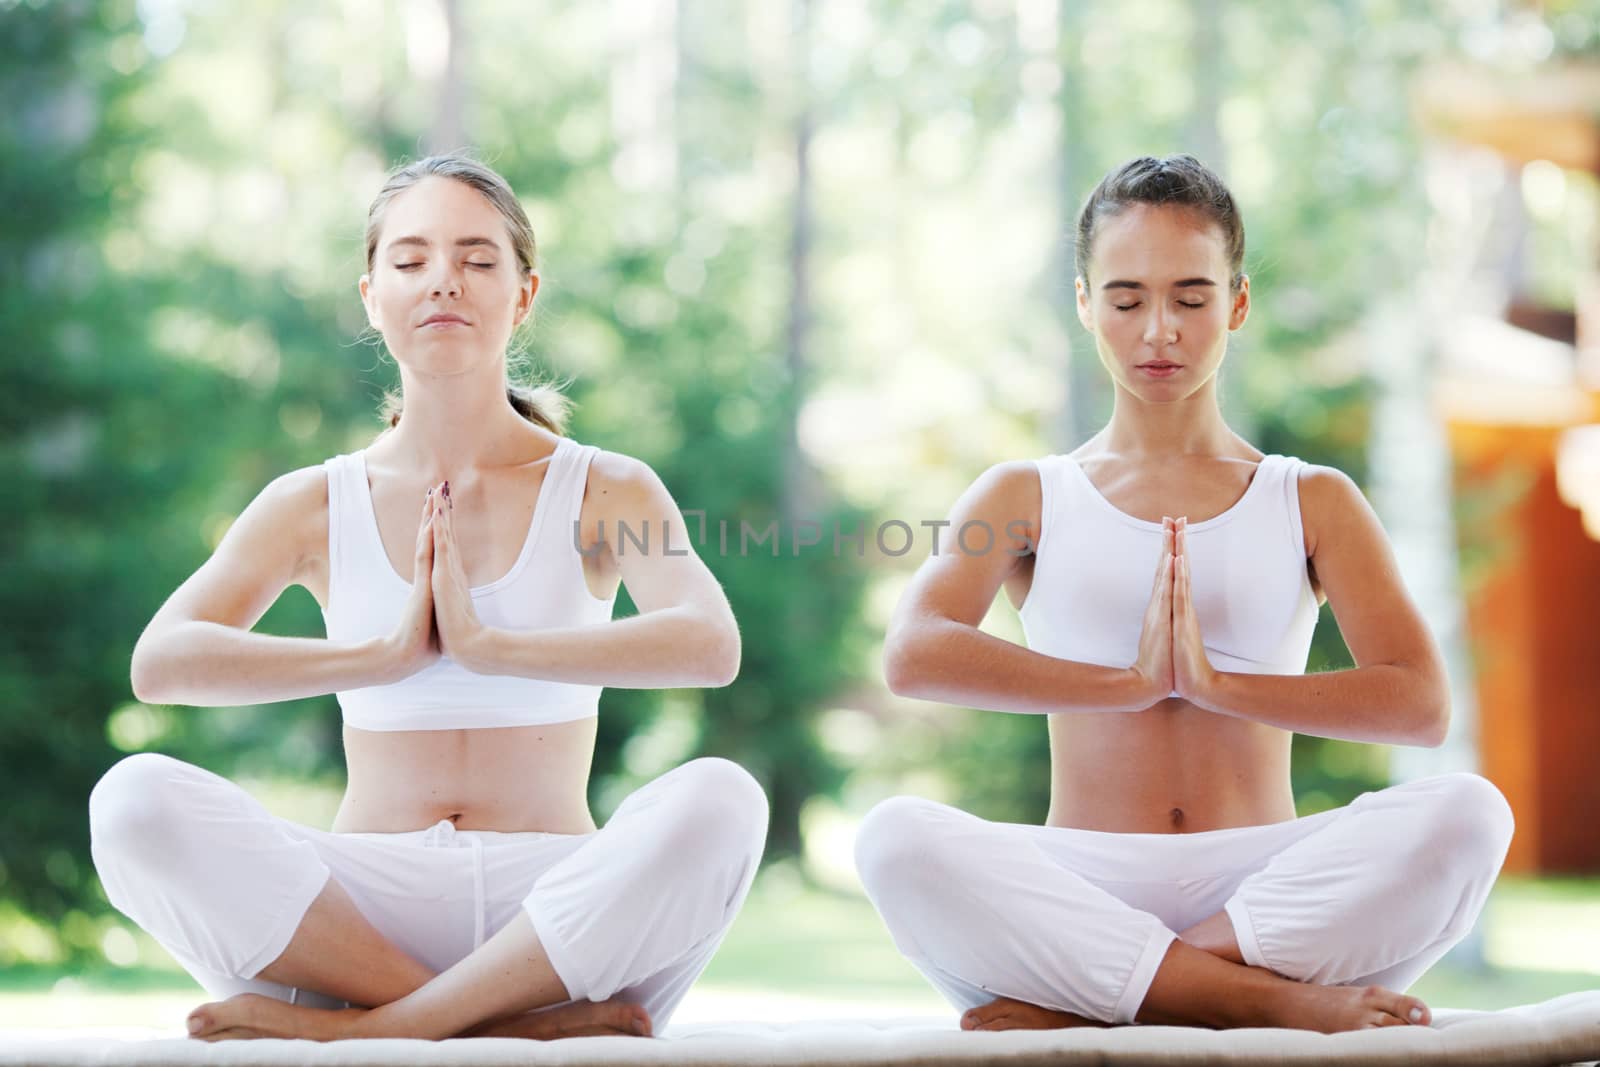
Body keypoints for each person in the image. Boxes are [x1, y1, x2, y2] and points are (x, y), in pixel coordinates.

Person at [89, 154, 766, 1042]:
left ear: (523, 295)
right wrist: (382, 657)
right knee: (132, 800)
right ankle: (502, 1028)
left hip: (556, 916)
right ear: (372, 296)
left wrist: (492, 646)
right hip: (362, 916)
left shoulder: (606, 489)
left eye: (478, 259)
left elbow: (710, 643)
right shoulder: (312, 501)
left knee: (723, 798)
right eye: (411, 261)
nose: (443, 279)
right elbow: (161, 662)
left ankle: (381, 1027)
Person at [854, 155, 1513, 1034]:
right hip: (1083, 878)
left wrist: (1217, 684)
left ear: (1237, 303)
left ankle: (1113, 993)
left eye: (1191, 299)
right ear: (1086, 303)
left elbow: (1420, 703)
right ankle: (1267, 1004)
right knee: (896, 838)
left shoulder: (1310, 497)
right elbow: (914, 652)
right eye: (1126, 300)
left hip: (1264, 894)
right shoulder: (1025, 493)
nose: (1158, 329)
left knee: (1469, 813)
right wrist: (1125, 682)